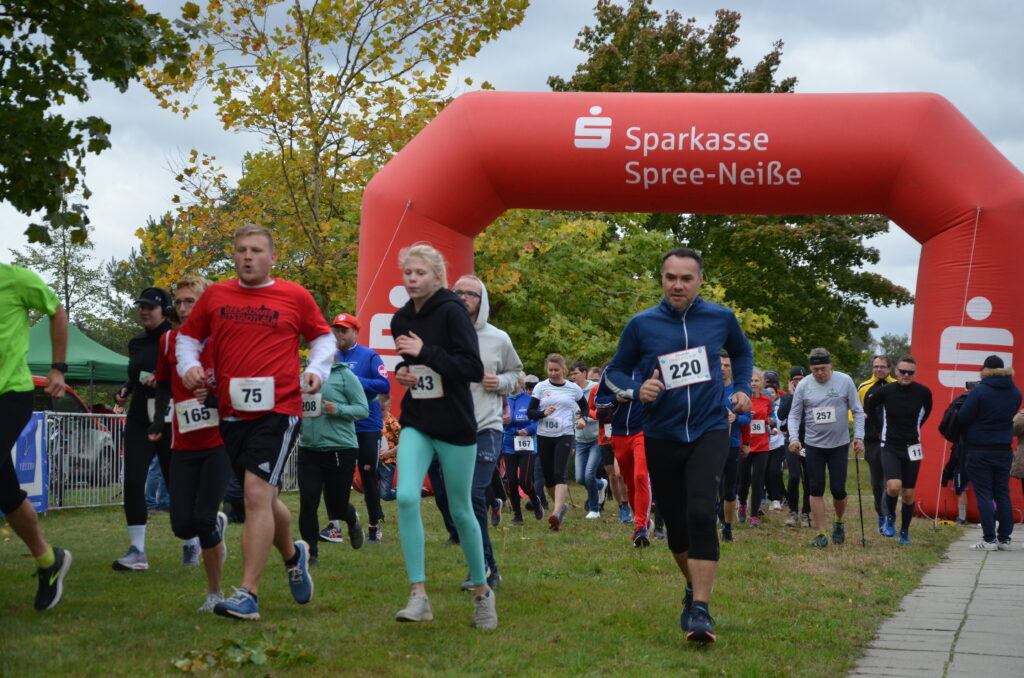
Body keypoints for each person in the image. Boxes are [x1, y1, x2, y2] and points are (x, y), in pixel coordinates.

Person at [178, 224, 334, 620]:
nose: (247, 257)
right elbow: (187, 337)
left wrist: (317, 370)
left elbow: (323, 338)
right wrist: (190, 366)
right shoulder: (216, 295)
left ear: (272, 257)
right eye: (241, 250)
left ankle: (248, 593)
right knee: (265, 498)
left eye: (256, 250)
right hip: (231, 412)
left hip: (279, 409)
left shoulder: (294, 295)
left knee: (253, 495)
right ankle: (292, 552)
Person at [605, 247, 753, 643]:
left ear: (700, 280)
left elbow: (741, 352)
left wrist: (740, 389)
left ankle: (702, 611)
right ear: (662, 279)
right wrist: (638, 390)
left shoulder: (720, 317)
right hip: (662, 432)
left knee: (702, 509)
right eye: (670, 277)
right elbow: (615, 372)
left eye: (686, 278)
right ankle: (692, 587)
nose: (677, 285)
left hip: (709, 427)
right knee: (674, 524)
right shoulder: (642, 324)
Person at [389, 244, 496, 629]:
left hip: (455, 425)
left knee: (461, 509)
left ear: (437, 276)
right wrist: (405, 371)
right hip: (418, 420)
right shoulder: (401, 319)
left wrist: (425, 352)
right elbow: (412, 366)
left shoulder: (452, 312)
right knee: (404, 497)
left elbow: (470, 368)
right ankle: (418, 595)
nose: (412, 280)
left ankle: (483, 592)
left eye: (419, 273)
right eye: (407, 274)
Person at [148, 274, 232, 610]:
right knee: (182, 525)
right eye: (179, 302)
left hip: (218, 444)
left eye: (190, 302)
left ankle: (215, 594)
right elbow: (164, 383)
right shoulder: (169, 341)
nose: (182, 309)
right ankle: (215, 525)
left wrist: (214, 399)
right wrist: (158, 419)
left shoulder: (222, 339)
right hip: (182, 445)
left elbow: (238, 384)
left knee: (202, 519)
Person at [0, 262, 72, 610]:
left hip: (10, 393)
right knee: (6, 490)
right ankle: (49, 561)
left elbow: (57, 310)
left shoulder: (14, 278)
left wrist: (58, 366)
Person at [452, 274, 523, 591]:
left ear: (482, 301)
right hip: (452, 428)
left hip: (487, 427)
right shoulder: (444, 335)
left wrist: (502, 383)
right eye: (459, 292)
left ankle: (485, 568)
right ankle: (485, 566)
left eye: (471, 293)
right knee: (456, 500)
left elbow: (516, 372)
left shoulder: (498, 338)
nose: (464, 297)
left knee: (473, 494)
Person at [112, 286, 174, 570]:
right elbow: (134, 376)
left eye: (151, 307)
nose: (145, 311)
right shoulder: (136, 342)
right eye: (142, 306)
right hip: (139, 416)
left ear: (164, 311)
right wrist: (125, 389)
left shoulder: (176, 338)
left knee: (176, 483)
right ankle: (137, 551)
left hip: (171, 416)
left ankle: (193, 542)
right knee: (134, 480)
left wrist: (162, 380)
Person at [296, 345, 369, 565]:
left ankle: (351, 518)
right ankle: (311, 554)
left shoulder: (345, 376)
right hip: (309, 449)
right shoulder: (303, 378)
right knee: (308, 502)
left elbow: (362, 409)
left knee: (337, 506)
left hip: (340, 449)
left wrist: (337, 409)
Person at [787, 348, 865, 548]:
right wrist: (794, 439)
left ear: (830, 365)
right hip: (813, 445)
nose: (819, 373)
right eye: (815, 369)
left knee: (838, 489)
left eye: (823, 368)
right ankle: (821, 533)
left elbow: (857, 411)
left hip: (839, 445)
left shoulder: (844, 381)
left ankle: (839, 522)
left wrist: (859, 437)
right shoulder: (804, 385)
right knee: (816, 488)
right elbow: (794, 415)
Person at [325, 312, 389, 544]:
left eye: (344, 330)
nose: (340, 334)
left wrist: (353, 380)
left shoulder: (369, 355)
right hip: (338, 423)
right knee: (334, 474)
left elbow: (384, 384)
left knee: (367, 473)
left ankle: (375, 524)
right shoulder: (329, 356)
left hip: (366, 423)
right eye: (337, 330)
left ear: (355, 332)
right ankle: (334, 526)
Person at [864, 355, 932, 545]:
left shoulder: (923, 392)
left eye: (910, 372)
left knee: (908, 494)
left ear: (915, 374)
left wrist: (914, 429)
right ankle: (890, 519)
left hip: (912, 447)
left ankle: (904, 531)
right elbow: (870, 406)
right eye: (903, 371)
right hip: (890, 445)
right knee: (893, 486)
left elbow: (926, 412)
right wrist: (878, 430)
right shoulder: (886, 391)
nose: (906, 375)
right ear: (896, 372)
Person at [958, 355, 1021, 550]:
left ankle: (989, 539)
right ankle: (1004, 538)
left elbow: (963, 417)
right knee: (1002, 493)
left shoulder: (980, 391)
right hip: (1004, 448)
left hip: (980, 449)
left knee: (984, 493)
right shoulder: (1016, 392)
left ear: (985, 370)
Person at [528, 354, 590, 531]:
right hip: (544, 435)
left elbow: (584, 406)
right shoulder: (541, 387)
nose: (553, 373)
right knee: (548, 478)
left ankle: (555, 514)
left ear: (563, 370)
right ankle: (560, 508)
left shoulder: (573, 389)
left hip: (565, 434)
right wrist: (543, 413)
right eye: (550, 370)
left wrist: (583, 418)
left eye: (556, 370)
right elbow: (531, 413)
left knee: (559, 473)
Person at [594, 360, 651, 546]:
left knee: (641, 476)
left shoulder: (650, 367)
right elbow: (598, 400)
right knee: (629, 482)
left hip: (643, 431)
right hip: (618, 433)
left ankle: (640, 526)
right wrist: (615, 399)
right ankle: (643, 521)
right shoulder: (612, 370)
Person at [857, 355, 896, 533]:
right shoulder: (864, 387)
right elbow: (853, 411)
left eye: (882, 366)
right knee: (876, 482)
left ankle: (889, 517)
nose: (878, 369)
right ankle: (880, 514)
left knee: (890, 481)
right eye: (876, 366)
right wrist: (860, 418)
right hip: (872, 440)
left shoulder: (896, 386)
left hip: (892, 441)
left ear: (889, 369)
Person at [717, 352, 750, 542]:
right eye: (720, 365)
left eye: (727, 365)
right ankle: (712, 517)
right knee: (710, 487)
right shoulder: (707, 389)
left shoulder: (737, 391)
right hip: (709, 445)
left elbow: (747, 418)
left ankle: (727, 527)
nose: (723, 368)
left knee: (729, 490)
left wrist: (735, 418)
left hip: (731, 445)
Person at [738, 369, 774, 528]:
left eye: (756, 381)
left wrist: (771, 422)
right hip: (745, 445)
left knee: (758, 480)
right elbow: (735, 418)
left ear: (762, 383)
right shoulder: (743, 399)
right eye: (750, 381)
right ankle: (743, 505)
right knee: (743, 481)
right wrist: (746, 417)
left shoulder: (767, 399)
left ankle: (754, 514)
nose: (753, 384)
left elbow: (770, 417)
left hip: (762, 445)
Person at [502, 372, 539, 525]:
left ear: (518, 382)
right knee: (511, 481)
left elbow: (538, 421)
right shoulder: (503, 400)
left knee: (524, 480)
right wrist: (503, 421)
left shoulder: (530, 400)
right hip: (509, 444)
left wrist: (529, 430)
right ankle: (517, 516)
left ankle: (536, 502)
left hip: (527, 444)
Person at [570, 361, 605, 519]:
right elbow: (570, 416)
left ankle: (594, 509)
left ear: (584, 373)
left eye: (575, 373)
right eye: (571, 374)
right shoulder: (571, 391)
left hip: (595, 438)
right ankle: (601, 484)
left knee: (589, 474)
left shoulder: (595, 389)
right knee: (580, 478)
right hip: (579, 440)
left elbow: (599, 413)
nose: (573, 377)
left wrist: (585, 417)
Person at [778, 367, 811, 528]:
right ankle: (793, 511)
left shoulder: (813, 394)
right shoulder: (787, 398)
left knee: (809, 478)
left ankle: (807, 513)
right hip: (792, 442)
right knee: (794, 477)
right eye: (795, 379)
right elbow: (780, 415)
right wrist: (792, 395)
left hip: (810, 443)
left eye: (801, 378)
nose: (799, 382)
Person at [377, 393, 400, 502]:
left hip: (388, 462)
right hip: (375, 461)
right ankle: (378, 516)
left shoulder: (393, 423)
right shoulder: (374, 420)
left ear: (389, 407)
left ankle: (401, 491)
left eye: (382, 409)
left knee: (385, 495)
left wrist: (388, 452)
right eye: (377, 409)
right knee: (371, 489)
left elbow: (404, 443)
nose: (379, 412)